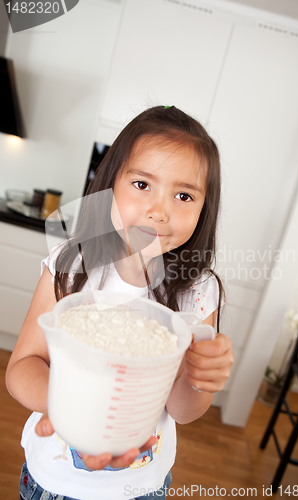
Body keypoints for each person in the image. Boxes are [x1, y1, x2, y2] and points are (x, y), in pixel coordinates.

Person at [6, 105, 233, 500]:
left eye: (183, 195)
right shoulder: (72, 262)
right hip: (55, 479)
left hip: (140, 487)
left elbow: (182, 410)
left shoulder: (198, 292)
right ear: (111, 183)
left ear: (204, 209)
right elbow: (22, 368)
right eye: (142, 185)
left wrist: (200, 377)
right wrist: (73, 414)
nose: (159, 211)